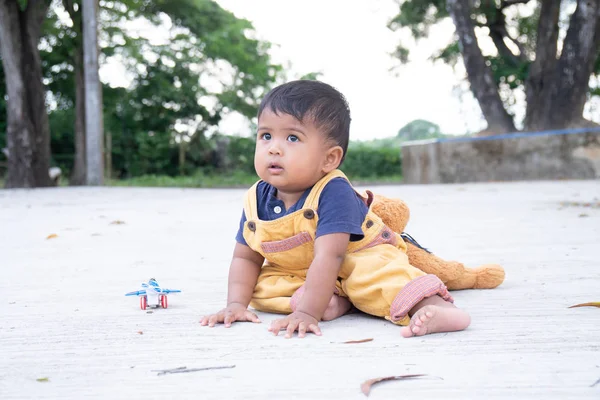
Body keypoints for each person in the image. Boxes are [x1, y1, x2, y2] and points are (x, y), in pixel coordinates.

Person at [200, 80, 470, 338]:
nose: (274, 149)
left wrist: (307, 313)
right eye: (266, 136)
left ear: (329, 158)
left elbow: (331, 256)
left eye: (292, 138)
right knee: (259, 287)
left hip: (354, 257)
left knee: (379, 276)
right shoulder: (255, 199)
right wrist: (236, 304)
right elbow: (246, 258)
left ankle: (436, 309)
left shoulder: (333, 191)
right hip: (303, 271)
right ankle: (336, 300)